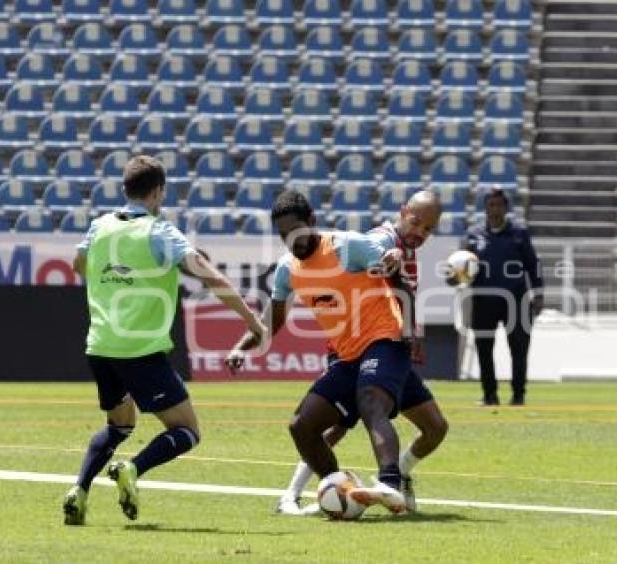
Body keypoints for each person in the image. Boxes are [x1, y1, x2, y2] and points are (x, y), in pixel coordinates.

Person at [63, 155, 265, 525]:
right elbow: (212, 278)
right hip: (139, 349)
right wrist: (252, 322)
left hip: (100, 346)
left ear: (125, 189)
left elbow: (78, 264)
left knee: (120, 425)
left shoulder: (99, 226)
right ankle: (132, 469)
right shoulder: (160, 232)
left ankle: (79, 490)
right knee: (187, 430)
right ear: (157, 192)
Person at [227, 190, 419, 515]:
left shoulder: (347, 246)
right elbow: (272, 321)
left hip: (384, 339)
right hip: (346, 356)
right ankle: (337, 489)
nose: (292, 240)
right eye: (283, 234)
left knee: (370, 400)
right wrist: (241, 347)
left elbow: (399, 273)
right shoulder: (287, 269)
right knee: (301, 426)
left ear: (312, 221)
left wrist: (411, 328)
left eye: (296, 231)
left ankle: (390, 484)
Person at [460, 188, 543, 406]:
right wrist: (455, 278)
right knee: (484, 348)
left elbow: (533, 265)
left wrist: (539, 294)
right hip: (483, 300)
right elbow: (461, 269)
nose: (495, 209)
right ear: (485, 208)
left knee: (519, 348)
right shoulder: (473, 235)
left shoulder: (519, 233)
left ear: (506, 208)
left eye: (499, 205)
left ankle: (518, 395)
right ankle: (490, 395)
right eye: (491, 205)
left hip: (516, 301)